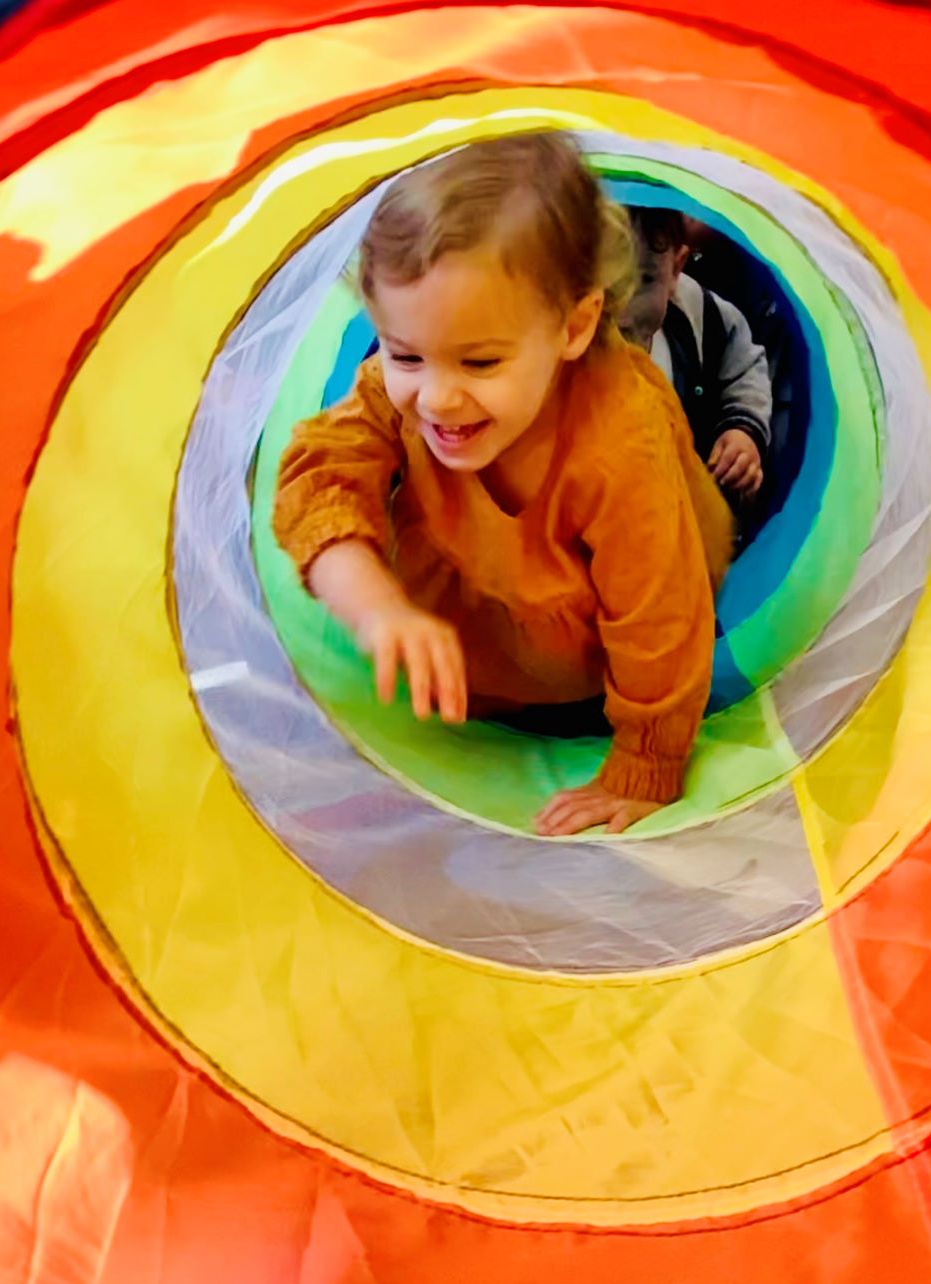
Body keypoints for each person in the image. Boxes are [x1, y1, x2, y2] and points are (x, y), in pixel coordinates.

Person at [272, 133, 732, 837]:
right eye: (405, 353)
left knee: (655, 592)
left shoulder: (617, 440)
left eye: (480, 363)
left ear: (573, 327)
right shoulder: (404, 386)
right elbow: (318, 478)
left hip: (591, 638)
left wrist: (647, 763)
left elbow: (660, 614)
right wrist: (377, 610)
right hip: (476, 625)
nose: (437, 399)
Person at [619, 206, 773, 535]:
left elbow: (744, 365)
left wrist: (742, 431)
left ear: (676, 266)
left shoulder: (703, 314)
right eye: (604, 280)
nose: (623, 310)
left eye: (645, 280)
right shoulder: (557, 331)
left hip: (685, 519)